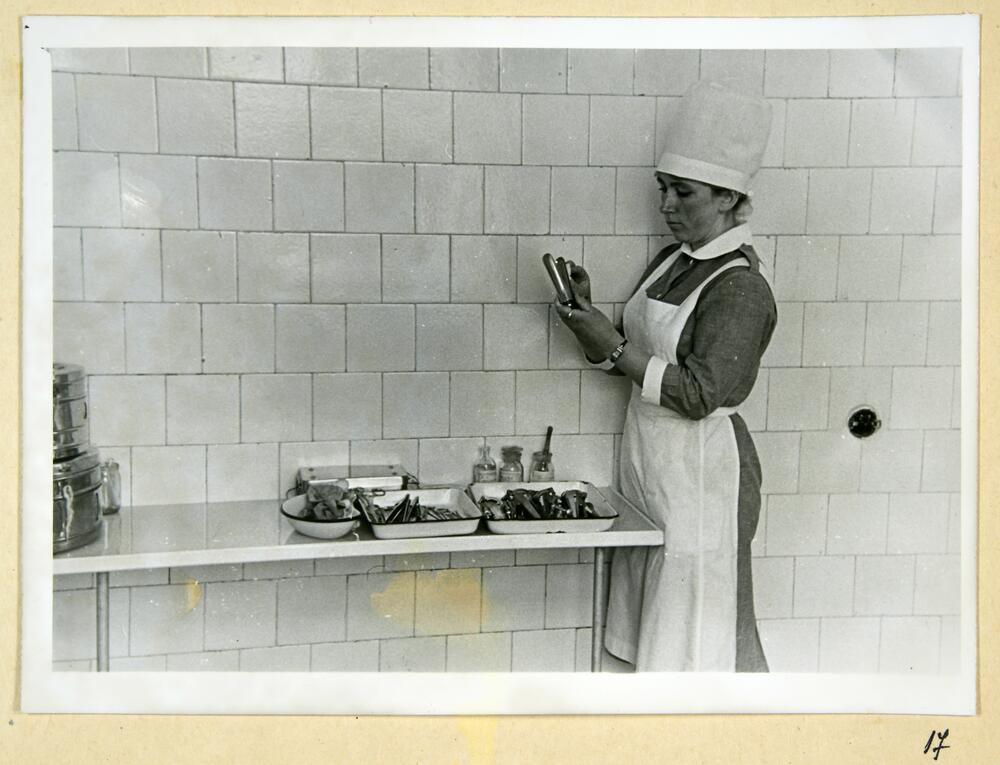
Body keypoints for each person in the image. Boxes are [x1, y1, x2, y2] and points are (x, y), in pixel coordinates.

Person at [554, 80, 775, 672]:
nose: (667, 206)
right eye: (663, 189)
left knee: (695, 638)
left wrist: (614, 346)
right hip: (652, 466)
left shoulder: (741, 287)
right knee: (650, 617)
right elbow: (633, 355)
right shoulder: (673, 261)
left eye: (684, 192)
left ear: (727, 199)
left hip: (702, 476)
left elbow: (701, 393)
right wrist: (588, 320)